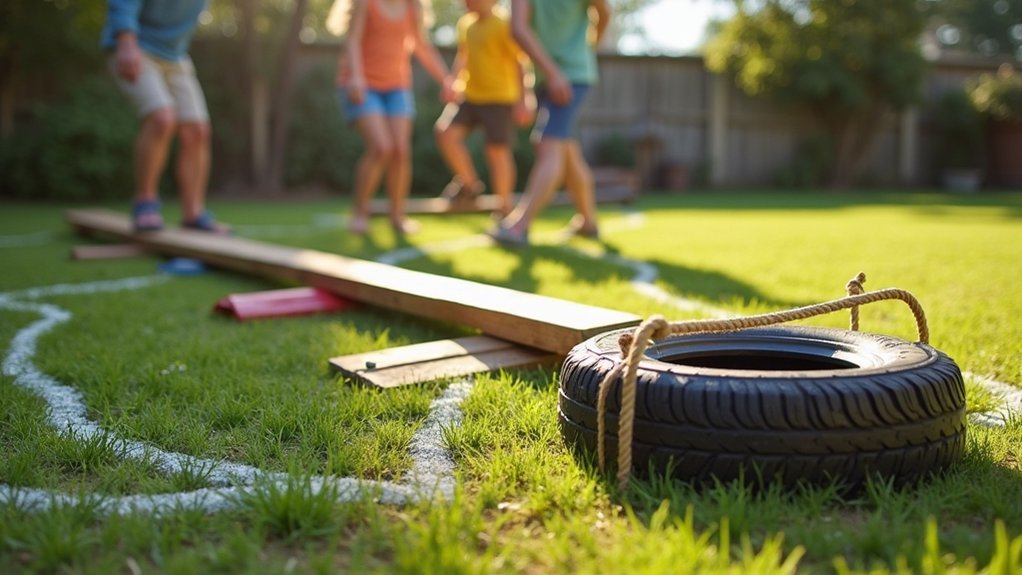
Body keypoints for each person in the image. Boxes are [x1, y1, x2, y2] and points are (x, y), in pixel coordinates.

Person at [487, 0, 611, 246]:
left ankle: (519, 226)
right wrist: (551, 73)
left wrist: (589, 48)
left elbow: (604, 11)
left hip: (573, 78)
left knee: (548, 144)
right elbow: (518, 29)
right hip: (548, 76)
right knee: (568, 151)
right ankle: (588, 222)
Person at [328, 0, 455, 235]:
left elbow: (420, 44)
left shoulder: (412, 7)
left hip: (397, 86)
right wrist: (356, 76)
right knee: (381, 147)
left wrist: (445, 79)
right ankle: (359, 213)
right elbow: (353, 40)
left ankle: (397, 217)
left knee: (400, 151)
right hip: (363, 84)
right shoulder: (367, 4)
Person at [101, 0, 228, 234]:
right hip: (137, 46)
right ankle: (145, 203)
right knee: (162, 118)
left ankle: (193, 213)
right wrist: (126, 42)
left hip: (176, 56)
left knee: (198, 131)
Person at [433, 0, 535, 220]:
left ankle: (504, 208)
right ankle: (470, 185)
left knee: (497, 152)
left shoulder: (504, 25)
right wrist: (453, 81)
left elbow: (520, 63)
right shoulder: (466, 24)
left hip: (500, 97)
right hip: (470, 94)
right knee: (445, 133)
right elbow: (464, 55)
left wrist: (524, 98)